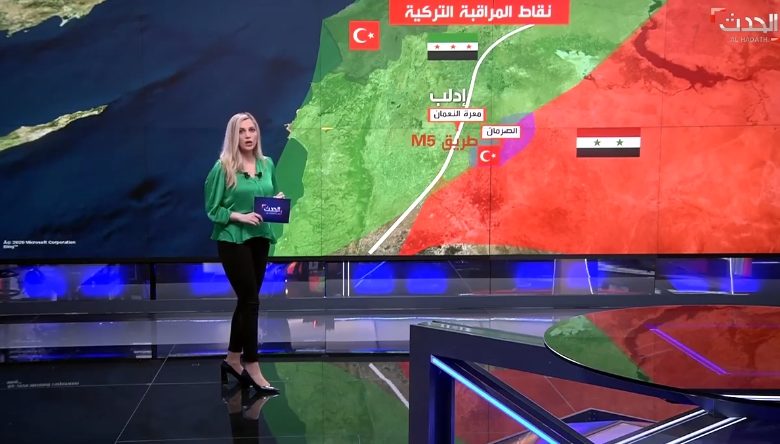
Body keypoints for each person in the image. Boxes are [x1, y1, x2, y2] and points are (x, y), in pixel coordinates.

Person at [205, 112, 284, 394]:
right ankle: (251, 364)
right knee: (251, 301)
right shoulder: (223, 168)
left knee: (246, 301)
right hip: (233, 240)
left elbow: (268, 196)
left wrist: (276, 202)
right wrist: (240, 216)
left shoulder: (267, 163)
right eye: (241, 131)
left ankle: (231, 359)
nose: (248, 135)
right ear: (233, 135)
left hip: (259, 238)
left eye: (252, 130)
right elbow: (212, 209)